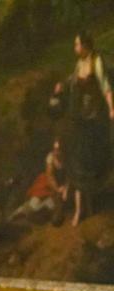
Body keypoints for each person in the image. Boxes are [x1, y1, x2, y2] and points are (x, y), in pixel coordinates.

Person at [53, 31, 113, 226]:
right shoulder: (80, 63)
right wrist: (62, 85)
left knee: (90, 160)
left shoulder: (97, 61)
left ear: (85, 45)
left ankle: (89, 206)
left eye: (77, 44)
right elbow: (73, 80)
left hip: (96, 116)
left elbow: (105, 85)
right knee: (79, 158)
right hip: (81, 117)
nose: (75, 48)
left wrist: (112, 108)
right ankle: (82, 208)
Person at [9, 138, 69, 225]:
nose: (56, 151)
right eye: (55, 149)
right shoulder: (50, 157)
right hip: (46, 183)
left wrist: (65, 188)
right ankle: (18, 212)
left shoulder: (65, 158)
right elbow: (50, 176)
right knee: (34, 205)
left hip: (60, 185)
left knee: (50, 205)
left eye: (58, 149)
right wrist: (57, 189)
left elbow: (68, 175)